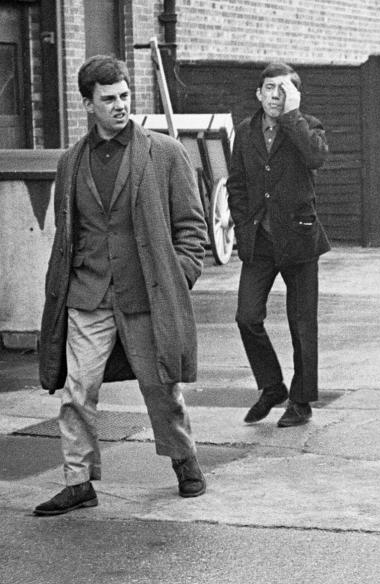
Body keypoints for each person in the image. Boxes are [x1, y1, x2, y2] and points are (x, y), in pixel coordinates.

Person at [35, 56, 209, 515]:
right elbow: (67, 231)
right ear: (88, 104)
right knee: (77, 393)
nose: (120, 106)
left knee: (161, 386)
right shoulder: (71, 161)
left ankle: (184, 460)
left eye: (125, 97)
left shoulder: (165, 152)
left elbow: (192, 227)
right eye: (108, 99)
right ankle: (78, 482)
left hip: (146, 294)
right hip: (88, 295)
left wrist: (179, 277)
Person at [229, 63, 331, 428]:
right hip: (260, 240)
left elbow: (316, 157)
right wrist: (242, 226)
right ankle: (272, 385)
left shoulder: (307, 126)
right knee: (247, 317)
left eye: (284, 89)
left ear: (295, 95)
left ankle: (301, 401)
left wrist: (293, 116)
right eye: (270, 87)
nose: (276, 95)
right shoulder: (245, 131)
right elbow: (237, 184)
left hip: (300, 239)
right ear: (258, 93)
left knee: (302, 324)